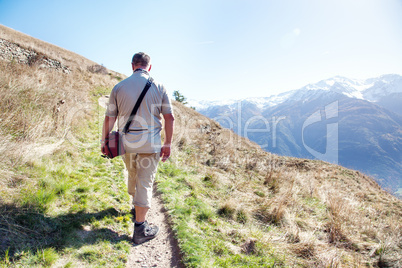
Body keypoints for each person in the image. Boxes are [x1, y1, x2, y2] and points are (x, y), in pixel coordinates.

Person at [101, 52, 174, 244]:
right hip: (151, 144)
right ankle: (140, 228)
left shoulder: (119, 87)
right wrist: (167, 143)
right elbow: (169, 118)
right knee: (145, 181)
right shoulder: (159, 87)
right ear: (149, 67)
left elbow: (110, 118)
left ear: (132, 65)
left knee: (132, 173)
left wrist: (104, 141)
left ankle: (136, 208)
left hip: (127, 143)